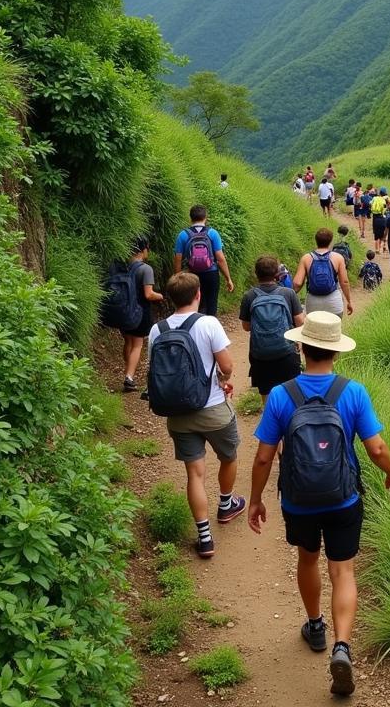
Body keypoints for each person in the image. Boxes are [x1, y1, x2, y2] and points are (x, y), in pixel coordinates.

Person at [248, 311, 390, 697]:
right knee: (344, 570)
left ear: (301, 347)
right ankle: (342, 646)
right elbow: (376, 447)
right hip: (343, 497)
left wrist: (254, 500)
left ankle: (315, 625)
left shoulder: (283, 394)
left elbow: (265, 457)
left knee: (306, 558)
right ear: (336, 351)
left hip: (299, 500)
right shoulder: (352, 392)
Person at [149, 271, 245, 559]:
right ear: (198, 294)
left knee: (195, 473)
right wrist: (222, 379)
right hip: (213, 408)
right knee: (229, 456)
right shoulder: (208, 323)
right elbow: (226, 365)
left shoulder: (157, 330)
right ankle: (226, 505)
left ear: (170, 298)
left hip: (178, 413)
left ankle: (204, 537)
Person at [239, 255, 306, 404]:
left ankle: (271, 421)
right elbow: (300, 321)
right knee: (292, 392)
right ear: (277, 273)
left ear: (256, 274)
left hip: (260, 355)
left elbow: (246, 326)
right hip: (287, 353)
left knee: (266, 393)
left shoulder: (249, 296)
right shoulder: (288, 293)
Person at [121, 236, 166, 392]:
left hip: (123, 310)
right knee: (137, 344)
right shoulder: (145, 269)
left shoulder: (123, 265)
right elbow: (148, 294)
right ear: (143, 249)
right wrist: (161, 296)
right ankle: (129, 377)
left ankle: (128, 370)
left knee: (128, 341)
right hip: (140, 311)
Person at [173, 205, 234, 316]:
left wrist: (178, 277)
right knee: (212, 303)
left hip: (192, 275)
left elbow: (178, 258)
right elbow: (220, 258)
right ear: (206, 217)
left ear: (190, 218)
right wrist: (228, 278)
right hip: (211, 273)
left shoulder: (183, 235)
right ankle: (210, 329)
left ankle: (195, 328)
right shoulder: (213, 233)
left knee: (195, 304)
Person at [294, 228, 355, 318]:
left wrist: (290, 297)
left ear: (316, 240)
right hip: (333, 301)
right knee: (333, 330)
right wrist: (349, 301)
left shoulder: (306, 258)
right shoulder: (338, 258)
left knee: (314, 330)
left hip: (313, 301)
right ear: (330, 241)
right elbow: (344, 282)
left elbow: (297, 283)